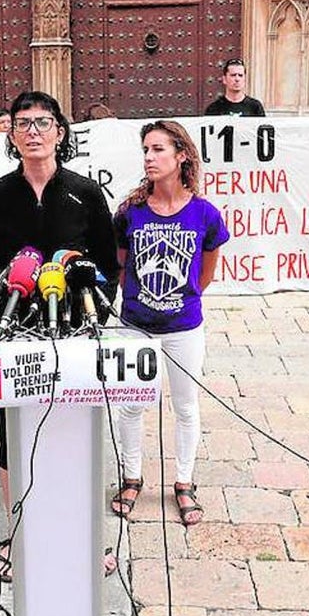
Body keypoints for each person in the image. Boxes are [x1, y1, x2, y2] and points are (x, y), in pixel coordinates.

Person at [0, 90, 121, 579]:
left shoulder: (85, 191)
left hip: (74, 333)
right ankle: (21, 532)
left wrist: (95, 304)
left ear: (60, 131)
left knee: (77, 432)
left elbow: (109, 265)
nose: (33, 131)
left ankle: (85, 534)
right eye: (22, 123)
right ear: (10, 134)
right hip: (16, 337)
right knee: (15, 440)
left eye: (43, 122)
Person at [110, 120, 229, 527]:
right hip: (136, 325)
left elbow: (206, 272)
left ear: (181, 155)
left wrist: (181, 300)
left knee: (185, 406)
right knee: (132, 405)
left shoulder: (205, 214)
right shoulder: (130, 213)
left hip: (184, 327)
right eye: (146, 150)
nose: (149, 157)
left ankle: (183, 482)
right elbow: (123, 265)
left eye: (158, 149)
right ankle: (130, 476)